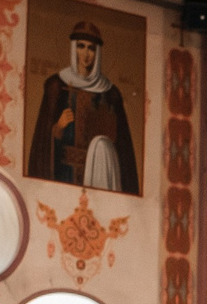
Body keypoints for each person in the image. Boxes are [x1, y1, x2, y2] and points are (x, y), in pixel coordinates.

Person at [27, 19, 140, 193]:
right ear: (74, 48)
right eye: (81, 46)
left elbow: (123, 150)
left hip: (99, 176)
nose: (86, 54)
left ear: (97, 52)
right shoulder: (57, 85)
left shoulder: (110, 93)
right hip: (64, 176)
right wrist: (58, 127)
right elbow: (42, 143)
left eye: (91, 48)